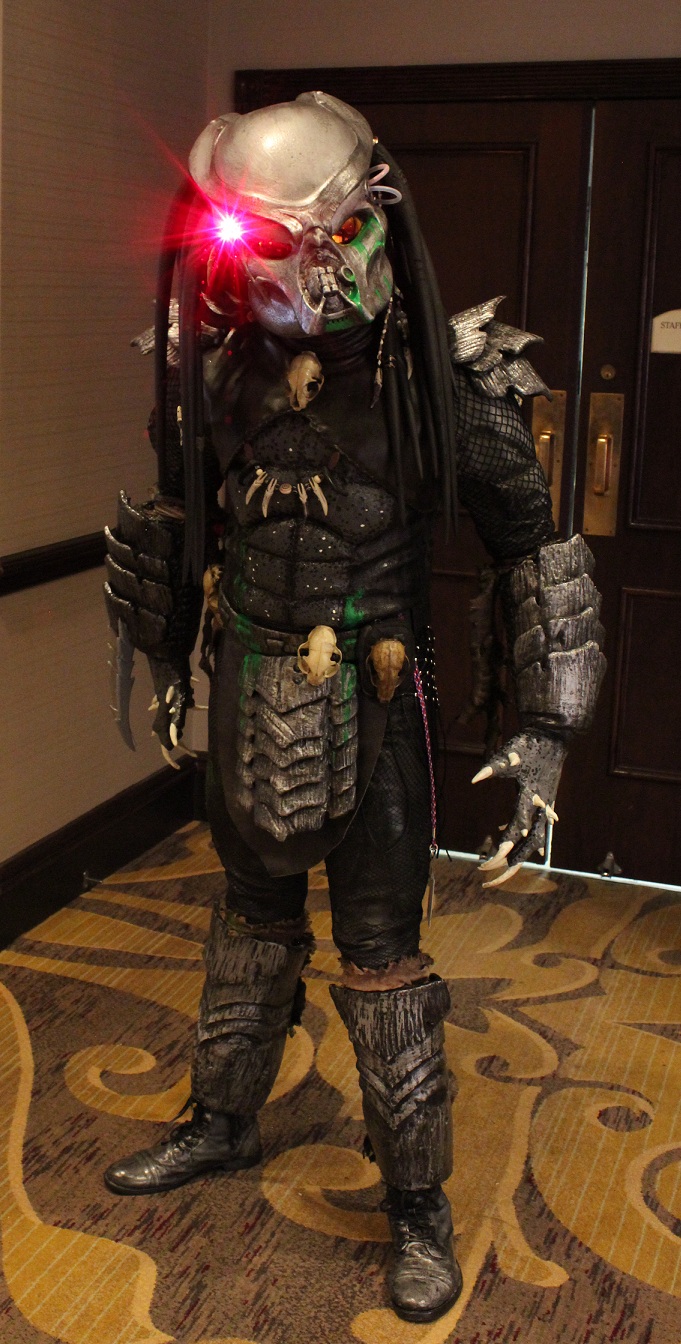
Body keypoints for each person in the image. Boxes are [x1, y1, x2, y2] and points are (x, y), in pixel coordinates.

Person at [102, 92, 605, 1324]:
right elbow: (180, 520)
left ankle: (418, 1200)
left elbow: (535, 547)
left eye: (312, 239)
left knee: (381, 954)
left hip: (378, 710)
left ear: (365, 224)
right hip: (249, 681)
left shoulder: (445, 383)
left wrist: (543, 730)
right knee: (248, 921)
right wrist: (168, 660)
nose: (291, 272)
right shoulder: (216, 371)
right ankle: (223, 1117)